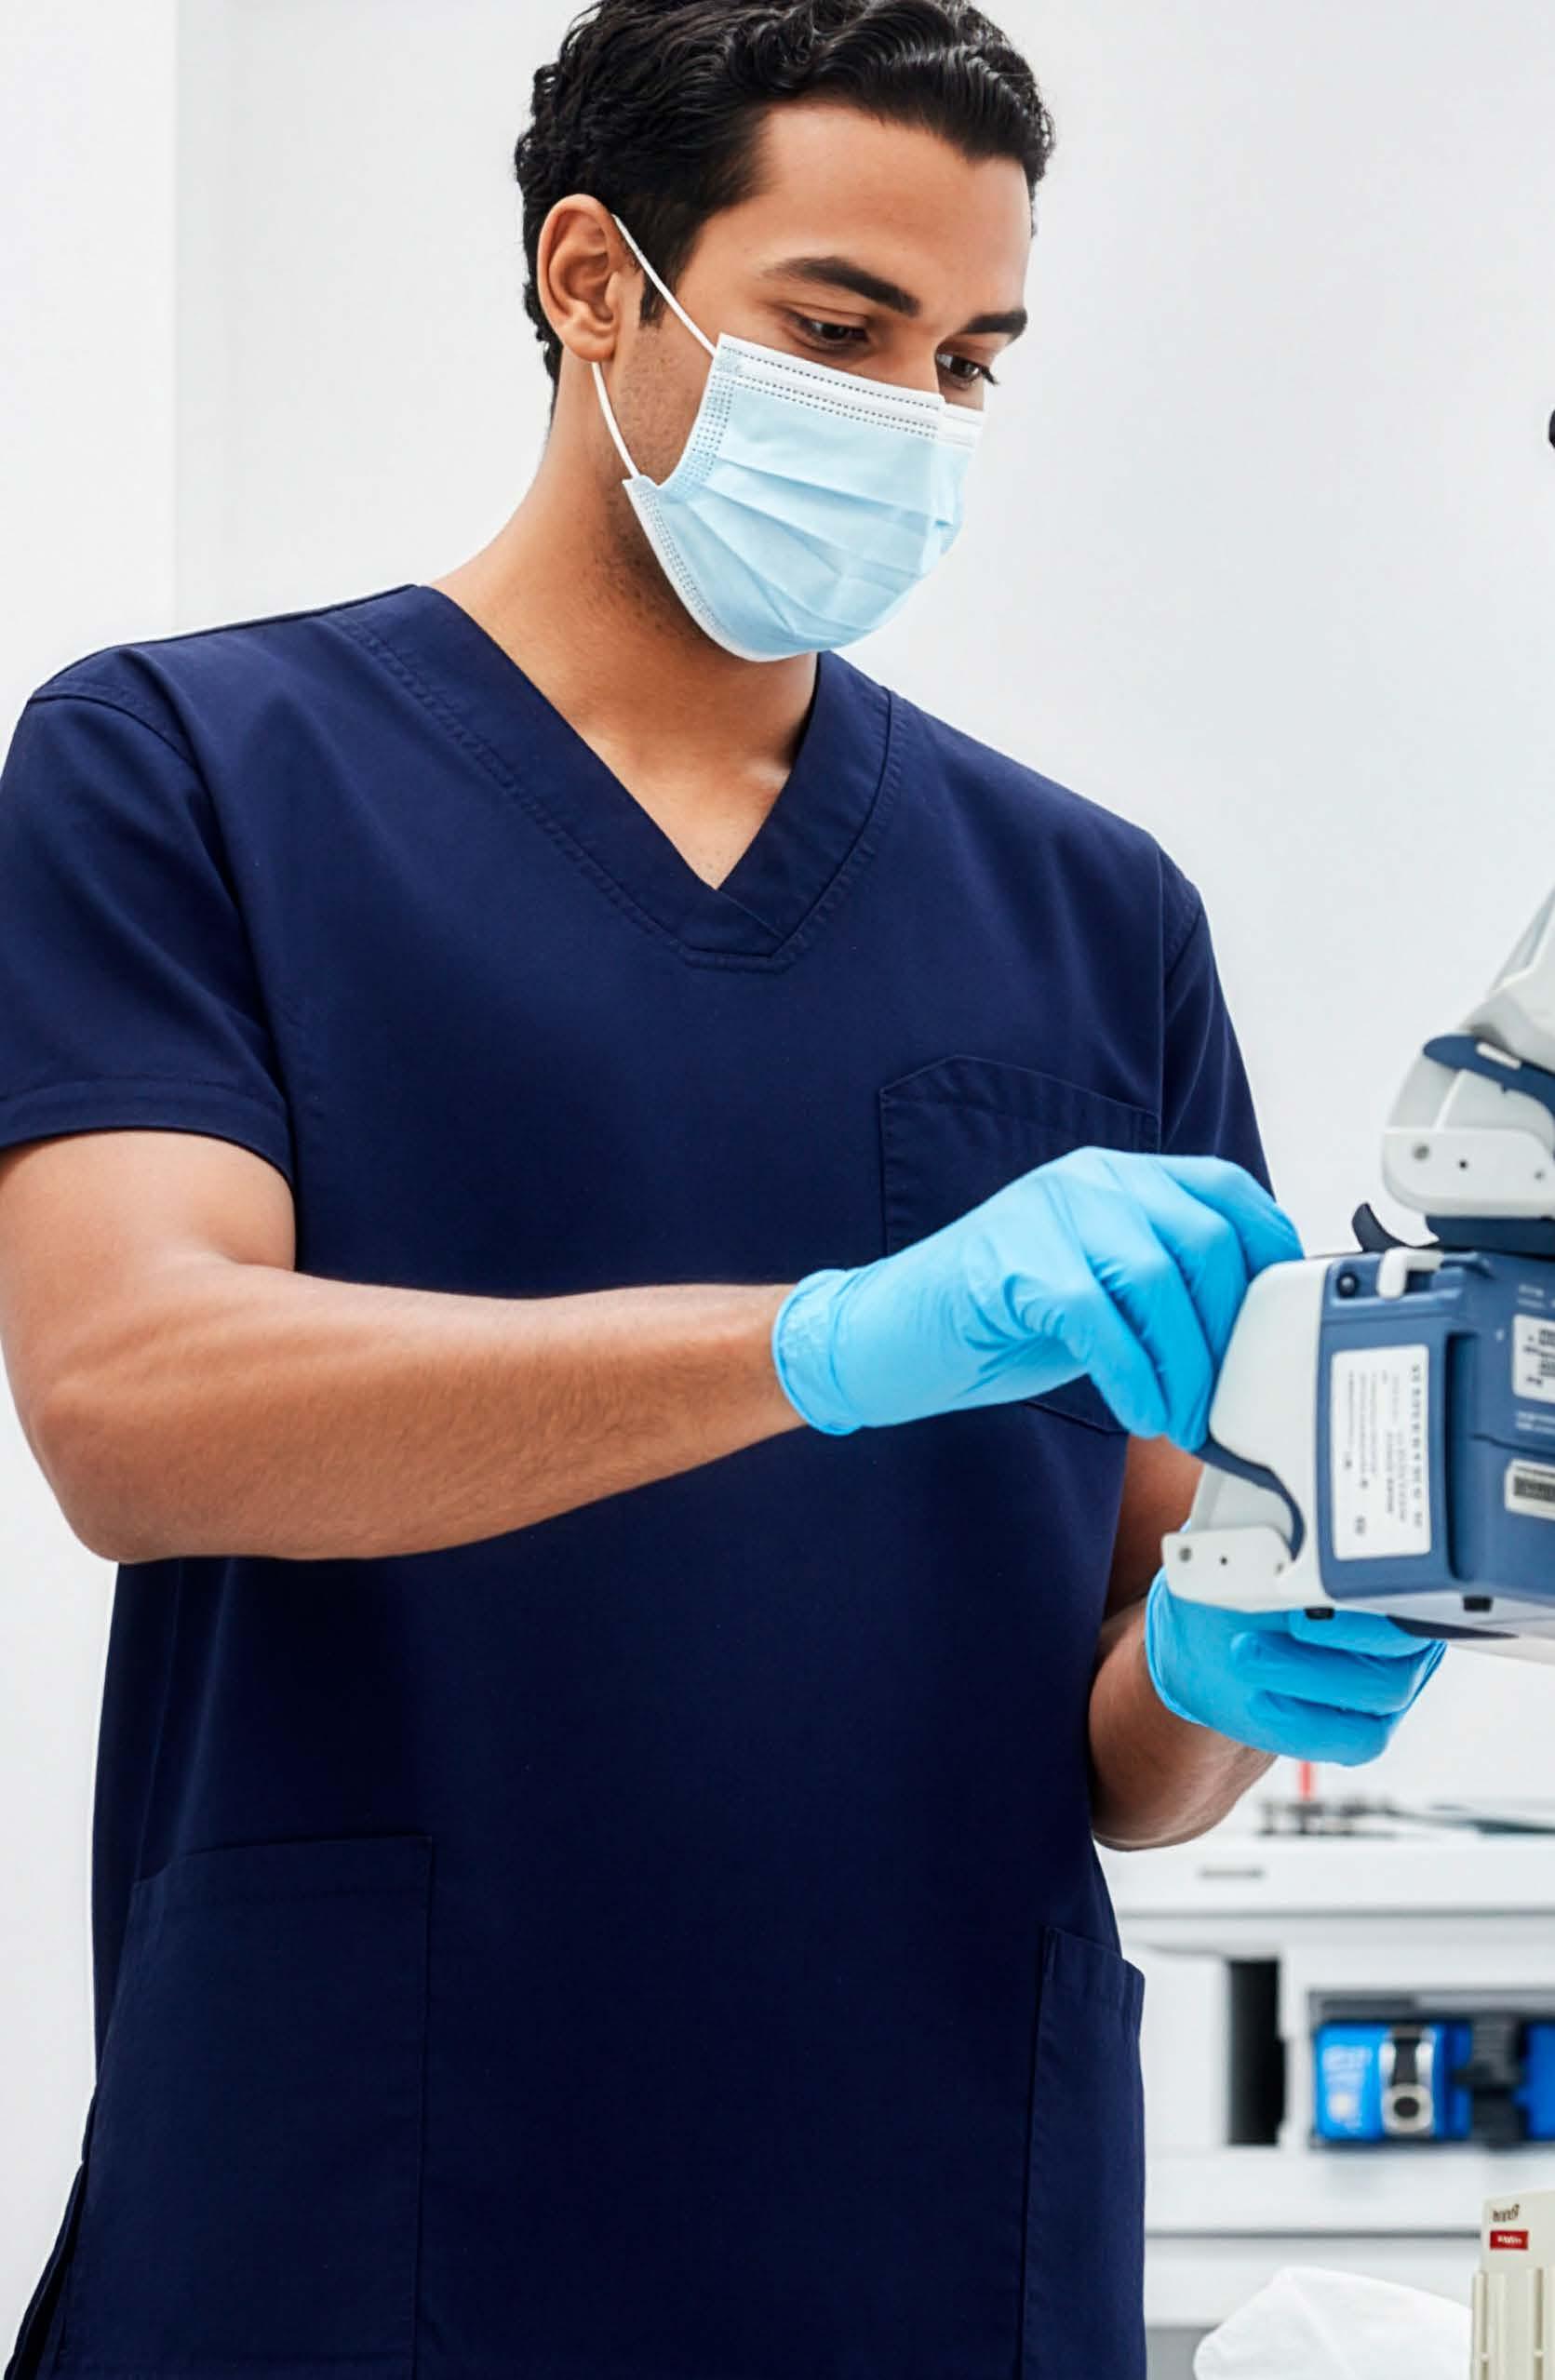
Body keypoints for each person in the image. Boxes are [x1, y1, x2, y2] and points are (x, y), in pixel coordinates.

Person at [0, 6, 1441, 2376]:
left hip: (929, 2205)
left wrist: (1218, 1670)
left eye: (968, 360)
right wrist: (823, 1342)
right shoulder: (190, 771)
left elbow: (1132, 1717)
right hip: (366, 2202)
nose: (913, 417)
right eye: (836, 330)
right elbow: (132, 1403)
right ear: (593, 277)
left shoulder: (1090, 913)